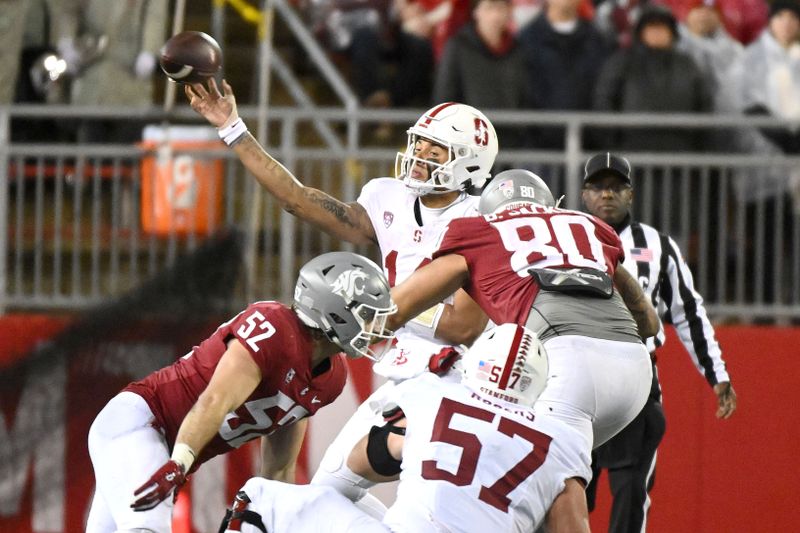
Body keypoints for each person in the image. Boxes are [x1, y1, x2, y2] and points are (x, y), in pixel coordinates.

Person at [186, 80, 496, 510]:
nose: (420, 157)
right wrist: (233, 128)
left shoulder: (481, 220)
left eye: (435, 150)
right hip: (406, 375)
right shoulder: (391, 197)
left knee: (420, 507)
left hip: (459, 381)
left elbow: (464, 325)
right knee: (326, 496)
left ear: (468, 163)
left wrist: (385, 305)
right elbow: (298, 200)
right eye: (419, 143)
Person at [85, 251, 396, 533]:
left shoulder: (331, 378)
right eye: (367, 315)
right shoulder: (273, 326)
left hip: (167, 449)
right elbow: (215, 399)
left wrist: (274, 517)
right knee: (146, 528)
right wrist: (179, 463)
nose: (374, 327)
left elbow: (278, 469)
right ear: (336, 310)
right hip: (141, 423)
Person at [386, 169, 658, 464]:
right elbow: (648, 322)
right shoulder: (588, 225)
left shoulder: (478, 229)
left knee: (512, 477)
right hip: (635, 370)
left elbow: (396, 306)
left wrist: (369, 316)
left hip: (569, 363)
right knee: (548, 481)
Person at [216, 324, 592, 533]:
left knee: (261, 496)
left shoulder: (434, 392)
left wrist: (408, 448)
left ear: (476, 362)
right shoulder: (561, 440)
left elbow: (358, 463)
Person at [579, 152, 738, 533]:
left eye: (616, 187)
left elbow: (688, 311)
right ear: (584, 194)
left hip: (635, 371)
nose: (607, 195)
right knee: (566, 486)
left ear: (631, 194)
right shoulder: (565, 235)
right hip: (577, 372)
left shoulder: (658, 245)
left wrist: (717, 373)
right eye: (598, 187)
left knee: (632, 487)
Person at [432, 0, 528, 148]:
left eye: (500, 8)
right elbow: (445, 94)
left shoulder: (518, 50)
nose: (495, 16)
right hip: (468, 144)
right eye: (490, 8)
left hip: (512, 144)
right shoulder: (458, 47)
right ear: (476, 12)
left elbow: (526, 95)